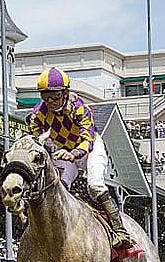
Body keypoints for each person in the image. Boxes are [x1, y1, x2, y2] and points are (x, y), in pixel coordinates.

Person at [28, 66, 133, 249]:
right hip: (63, 149)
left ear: (66, 92)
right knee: (58, 186)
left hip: (89, 148)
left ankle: (119, 229)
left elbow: (87, 141)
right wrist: (51, 148)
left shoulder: (80, 109)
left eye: (55, 96)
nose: (50, 101)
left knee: (94, 185)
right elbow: (37, 134)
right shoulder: (39, 112)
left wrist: (72, 154)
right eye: (45, 96)